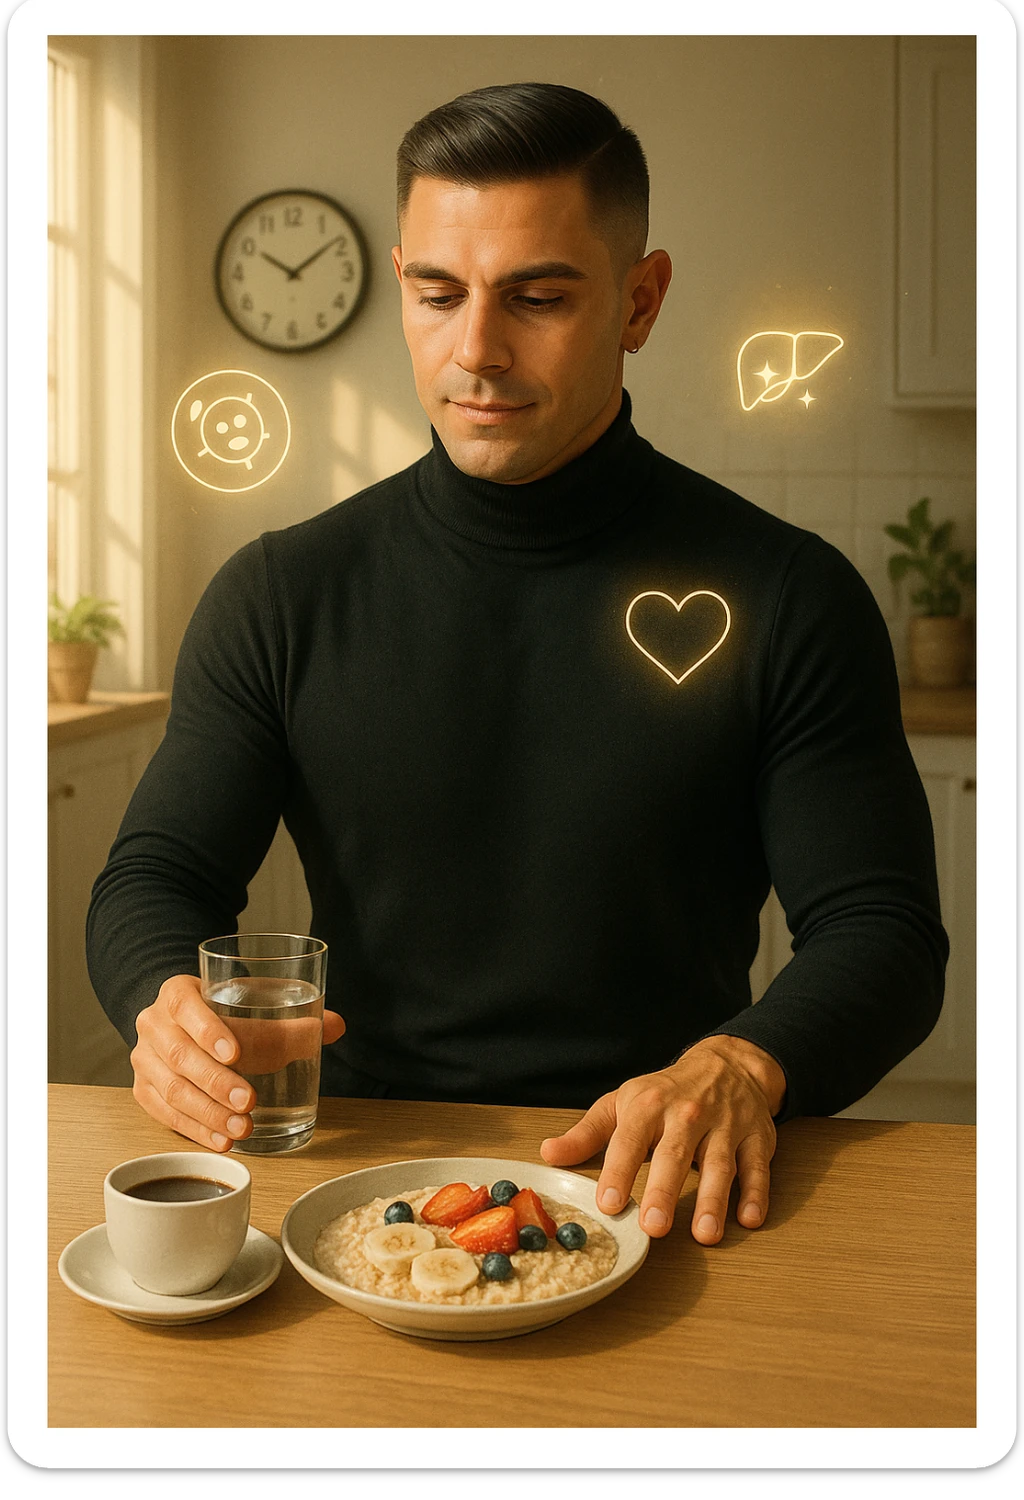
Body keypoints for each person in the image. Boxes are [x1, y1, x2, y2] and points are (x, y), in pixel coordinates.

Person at [87, 82, 947, 1246]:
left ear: (640, 301)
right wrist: (164, 1005)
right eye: (437, 295)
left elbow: (881, 930)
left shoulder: (787, 595)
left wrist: (744, 1062)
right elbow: (154, 877)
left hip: (657, 1176)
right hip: (359, 1182)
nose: (476, 351)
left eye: (537, 298)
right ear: (401, 284)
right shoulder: (281, 594)